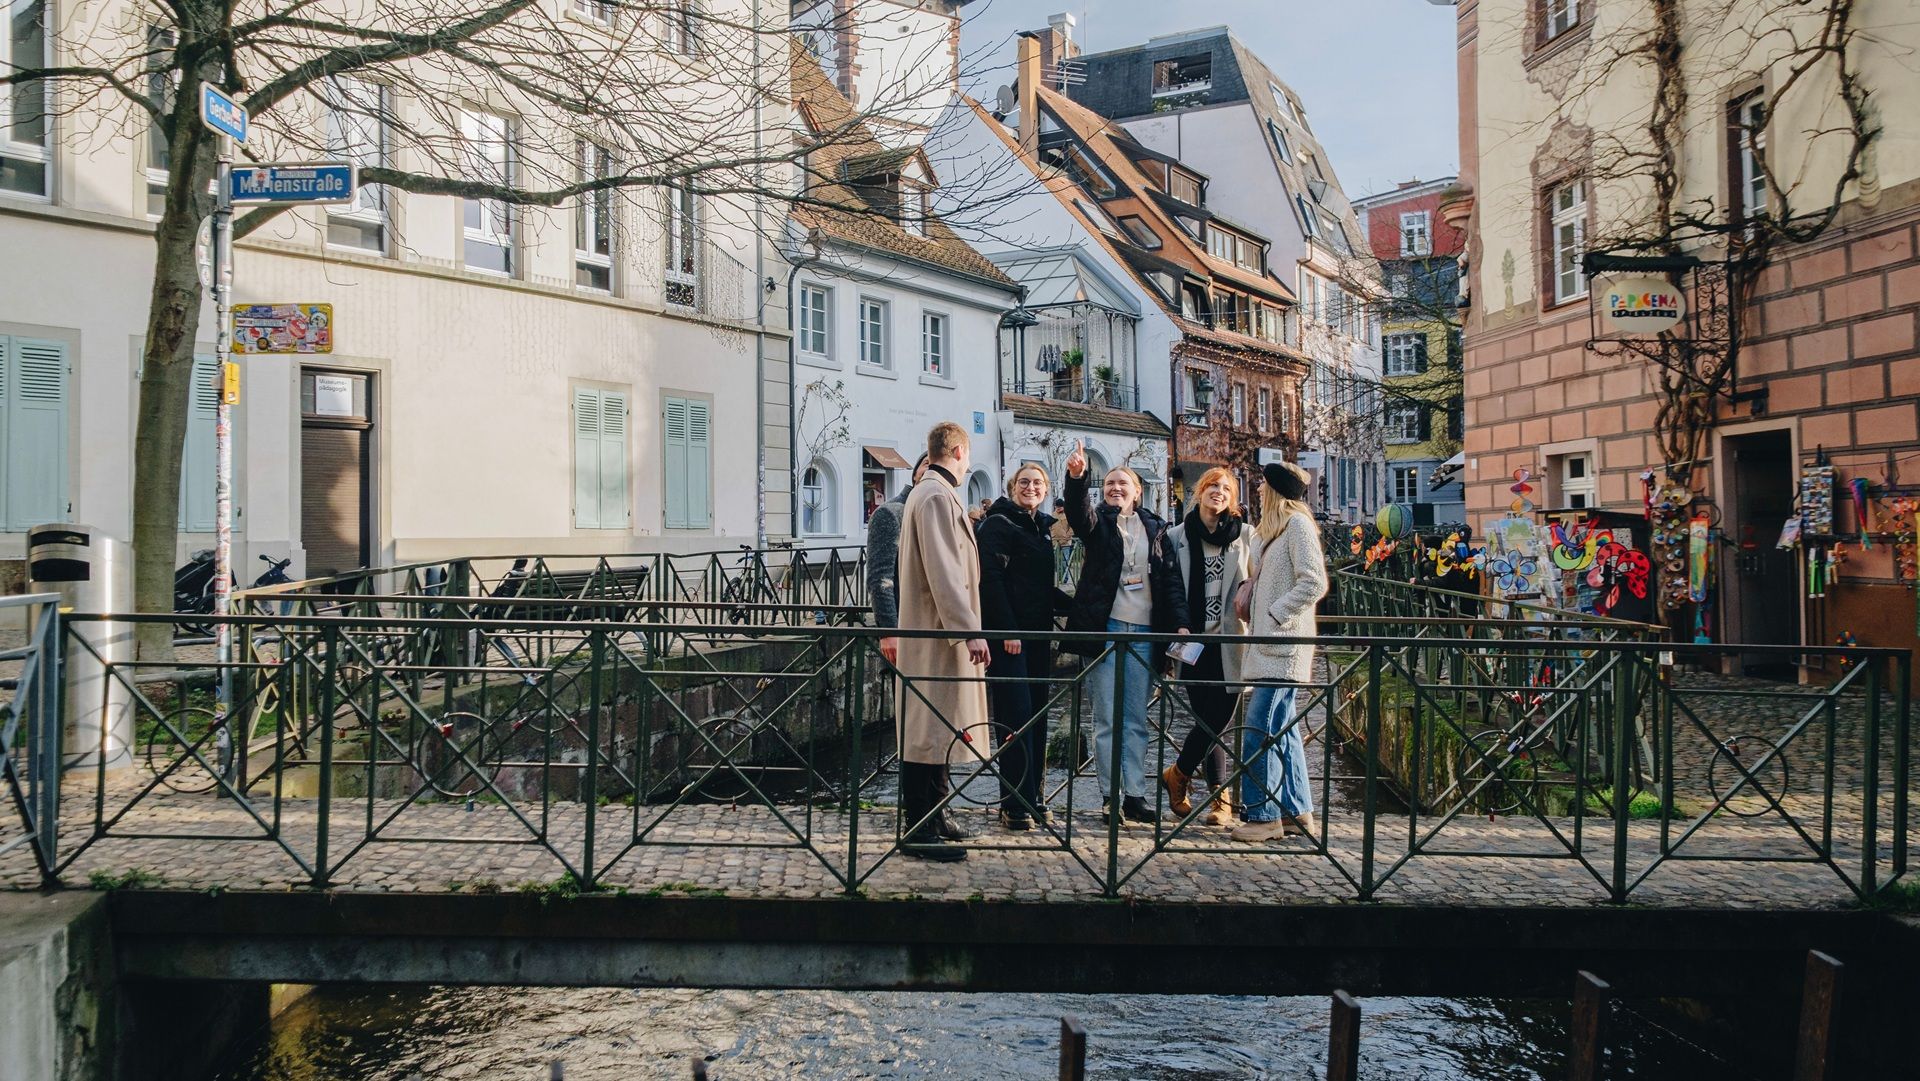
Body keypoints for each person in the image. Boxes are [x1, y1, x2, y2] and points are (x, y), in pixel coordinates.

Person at [1061, 440, 1189, 825]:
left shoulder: (1156, 529)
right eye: (1110, 483)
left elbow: (1171, 582)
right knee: (1106, 719)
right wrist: (1078, 478)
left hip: (1145, 632)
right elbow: (1078, 515)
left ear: (1138, 491)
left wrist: (1180, 623)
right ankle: (1109, 796)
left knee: (1134, 719)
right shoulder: (1099, 524)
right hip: (1107, 628)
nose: (1116, 488)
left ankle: (1134, 793)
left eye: (1123, 484)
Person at [894, 423, 992, 861]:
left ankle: (933, 815)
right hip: (937, 635)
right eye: (968, 455)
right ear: (956, 450)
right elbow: (945, 571)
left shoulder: (932, 492)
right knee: (926, 728)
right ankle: (918, 828)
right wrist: (968, 629)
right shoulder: (935, 495)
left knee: (935, 727)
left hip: (936, 632)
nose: (969, 463)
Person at [1233, 461, 1328, 843]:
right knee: (1283, 733)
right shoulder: (1271, 532)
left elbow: (1314, 582)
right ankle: (1297, 810)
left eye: (1261, 485)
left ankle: (1263, 816)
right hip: (1269, 645)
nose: (1256, 490)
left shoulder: (1299, 526)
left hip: (1283, 647)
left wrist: (1276, 614)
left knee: (1259, 730)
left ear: (1274, 490)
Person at [977, 464, 1073, 831]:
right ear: (1012, 487)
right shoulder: (999, 524)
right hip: (1010, 639)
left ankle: (1033, 794)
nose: (1030, 487)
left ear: (1046, 490)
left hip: (1036, 638)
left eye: (1037, 483)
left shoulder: (1041, 528)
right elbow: (992, 581)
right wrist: (1007, 630)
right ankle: (1013, 801)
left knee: (1036, 715)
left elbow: (1040, 589)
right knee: (1014, 718)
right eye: (1024, 482)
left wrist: (1080, 609)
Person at [1163, 467, 1253, 828]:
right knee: (1207, 720)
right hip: (1193, 642)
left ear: (1233, 498)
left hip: (1232, 641)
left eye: (1226, 488)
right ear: (1199, 492)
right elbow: (1169, 588)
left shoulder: (1246, 536)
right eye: (1212, 486)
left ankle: (1179, 775)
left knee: (1218, 719)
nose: (1218, 492)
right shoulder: (1176, 537)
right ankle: (1221, 799)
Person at [868, 454, 930, 666]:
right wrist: (889, 631)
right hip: (907, 631)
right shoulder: (891, 513)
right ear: (915, 474)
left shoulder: (941, 512)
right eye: (927, 464)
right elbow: (880, 578)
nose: (932, 471)